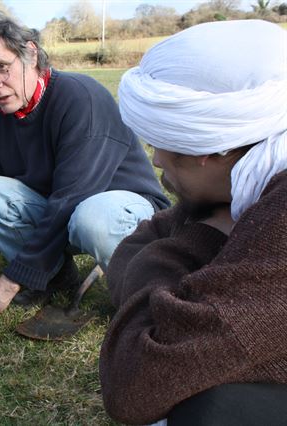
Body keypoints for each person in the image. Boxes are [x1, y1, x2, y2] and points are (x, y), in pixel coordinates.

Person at [99, 20, 287, 425]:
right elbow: (132, 250)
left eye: (157, 141)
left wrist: (193, 241)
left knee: (211, 408)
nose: (155, 159)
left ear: (208, 148)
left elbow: (134, 382)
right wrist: (204, 233)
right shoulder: (243, 187)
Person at [0, 14, 169, 338]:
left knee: (93, 216)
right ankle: (53, 278)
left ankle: (148, 295)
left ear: (31, 55)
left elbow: (70, 200)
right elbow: (2, 196)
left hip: (127, 212)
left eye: (2, 67)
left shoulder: (80, 99)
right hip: (65, 212)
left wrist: (5, 286)